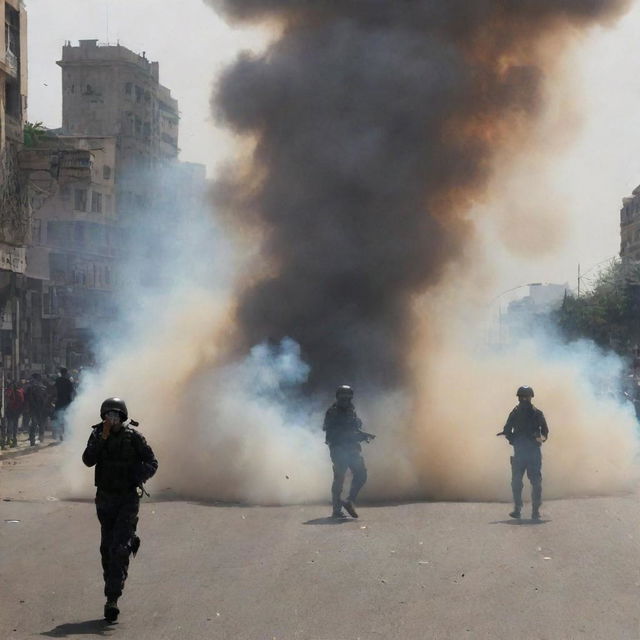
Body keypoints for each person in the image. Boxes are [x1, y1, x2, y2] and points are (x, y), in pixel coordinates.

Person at [82, 397, 158, 623]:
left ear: (122, 417)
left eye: (115, 416)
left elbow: (152, 462)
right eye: (108, 415)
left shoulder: (133, 437)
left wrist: (138, 475)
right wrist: (102, 438)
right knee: (107, 548)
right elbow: (87, 460)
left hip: (127, 498)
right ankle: (113, 580)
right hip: (105, 499)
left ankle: (112, 599)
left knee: (120, 549)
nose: (111, 419)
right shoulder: (97, 435)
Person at [323, 385, 374, 519]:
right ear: (338, 396)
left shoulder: (351, 410)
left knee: (361, 475)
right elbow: (333, 432)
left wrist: (362, 435)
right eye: (343, 395)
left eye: (348, 395)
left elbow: (354, 428)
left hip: (352, 448)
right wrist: (355, 435)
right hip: (338, 448)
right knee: (339, 477)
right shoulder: (332, 412)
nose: (346, 398)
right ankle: (336, 510)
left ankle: (349, 500)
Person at [498, 386, 549, 521]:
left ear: (531, 398)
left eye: (526, 397)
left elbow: (545, 433)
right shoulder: (514, 413)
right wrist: (513, 439)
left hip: (533, 453)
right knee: (516, 482)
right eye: (521, 397)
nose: (524, 400)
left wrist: (539, 438)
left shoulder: (537, 414)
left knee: (536, 482)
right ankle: (517, 508)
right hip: (520, 452)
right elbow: (507, 430)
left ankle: (536, 510)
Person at [25, 373, 49, 446]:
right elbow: (46, 398)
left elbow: (28, 399)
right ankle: (39, 439)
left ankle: (34, 440)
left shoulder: (31, 387)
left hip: (35, 409)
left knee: (35, 423)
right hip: (40, 409)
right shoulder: (43, 387)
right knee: (39, 423)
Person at [53, 367, 75, 441]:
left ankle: (60, 434)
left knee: (59, 419)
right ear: (66, 373)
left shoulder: (57, 380)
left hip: (59, 402)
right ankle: (65, 434)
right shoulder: (68, 381)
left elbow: (54, 391)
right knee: (66, 419)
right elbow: (72, 392)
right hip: (67, 403)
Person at [5, 380, 25, 448]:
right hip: (15, 412)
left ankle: (10, 440)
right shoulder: (19, 392)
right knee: (14, 426)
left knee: (10, 426)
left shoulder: (9, 391)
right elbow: (22, 402)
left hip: (11, 411)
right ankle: (13, 440)